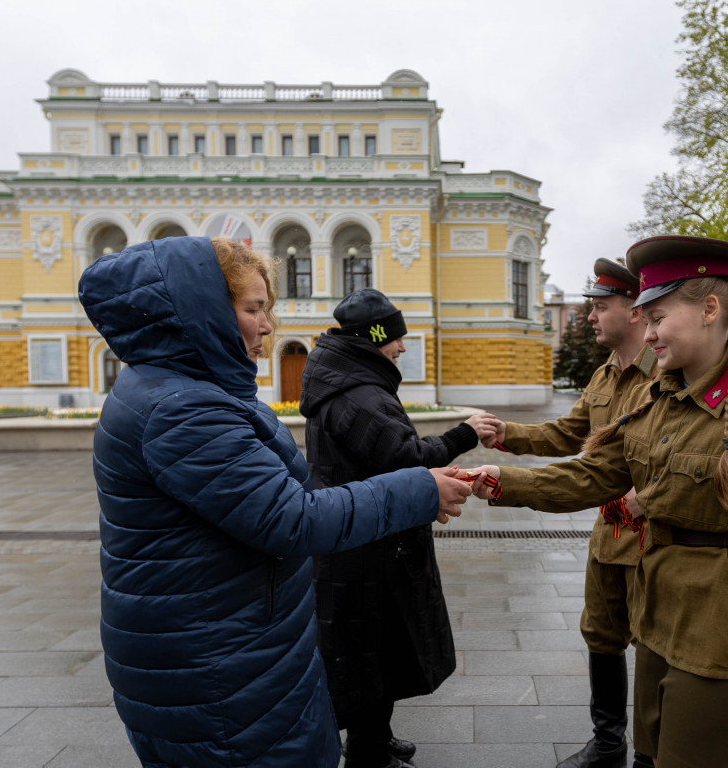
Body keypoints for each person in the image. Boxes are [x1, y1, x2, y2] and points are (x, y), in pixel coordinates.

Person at [78, 236, 472, 768]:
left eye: (268, 309)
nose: (268, 326)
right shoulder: (182, 409)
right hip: (218, 663)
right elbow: (292, 518)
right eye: (253, 308)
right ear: (201, 311)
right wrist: (423, 488)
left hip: (226, 642)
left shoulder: (181, 390)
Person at [460, 235, 728, 768]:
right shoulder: (656, 398)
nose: (650, 330)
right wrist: (499, 481)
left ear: (710, 309)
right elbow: (595, 475)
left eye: (658, 316)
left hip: (723, 632)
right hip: (658, 620)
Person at [300, 288, 500, 768]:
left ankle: (375, 736)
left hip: (367, 538)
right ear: (374, 340)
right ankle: (368, 754)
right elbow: (405, 458)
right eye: (395, 338)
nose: (402, 348)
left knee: (378, 647)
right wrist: (465, 434)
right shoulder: (361, 395)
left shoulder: (351, 381)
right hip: (368, 549)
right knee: (372, 649)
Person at [482, 258, 655, 768]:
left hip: (650, 536)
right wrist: (507, 433)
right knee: (601, 635)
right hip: (610, 532)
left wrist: (502, 482)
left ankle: (647, 753)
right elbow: (568, 433)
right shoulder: (605, 374)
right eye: (591, 307)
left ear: (636, 310)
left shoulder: (661, 377)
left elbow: (600, 471)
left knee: (653, 646)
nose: (590, 317)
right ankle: (607, 746)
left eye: (601, 307)